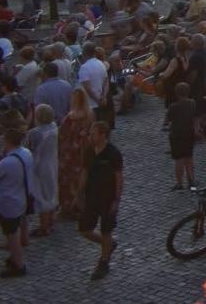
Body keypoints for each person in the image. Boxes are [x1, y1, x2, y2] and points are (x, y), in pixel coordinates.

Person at [78, 120, 121, 280]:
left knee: (106, 230)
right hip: (91, 196)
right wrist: (79, 193)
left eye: (93, 134)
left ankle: (104, 261)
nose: (90, 136)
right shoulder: (89, 151)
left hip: (107, 198)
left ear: (103, 135)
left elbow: (118, 177)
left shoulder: (113, 153)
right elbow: (84, 172)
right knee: (84, 229)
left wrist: (116, 200)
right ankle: (109, 244)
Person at [0, 127, 31, 277]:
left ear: (7, 141)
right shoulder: (26, 153)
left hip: (8, 203)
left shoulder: (7, 162)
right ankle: (15, 258)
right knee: (15, 230)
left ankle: (19, 265)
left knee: (11, 234)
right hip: (21, 198)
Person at [57, 87, 93, 220]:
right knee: (80, 180)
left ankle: (67, 208)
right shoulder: (89, 114)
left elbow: (62, 134)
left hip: (69, 153)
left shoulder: (70, 117)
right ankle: (80, 207)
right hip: (82, 151)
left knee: (66, 181)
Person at [25, 104, 58, 237]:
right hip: (52, 163)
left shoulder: (35, 133)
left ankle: (44, 227)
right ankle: (50, 222)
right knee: (51, 192)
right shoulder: (54, 127)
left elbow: (28, 147)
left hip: (40, 166)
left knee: (42, 196)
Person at [166, 81, 199, 189]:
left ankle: (179, 183)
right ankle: (191, 180)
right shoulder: (192, 103)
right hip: (189, 133)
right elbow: (195, 118)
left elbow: (168, 121)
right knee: (189, 158)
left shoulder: (173, 106)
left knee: (179, 159)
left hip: (176, 135)